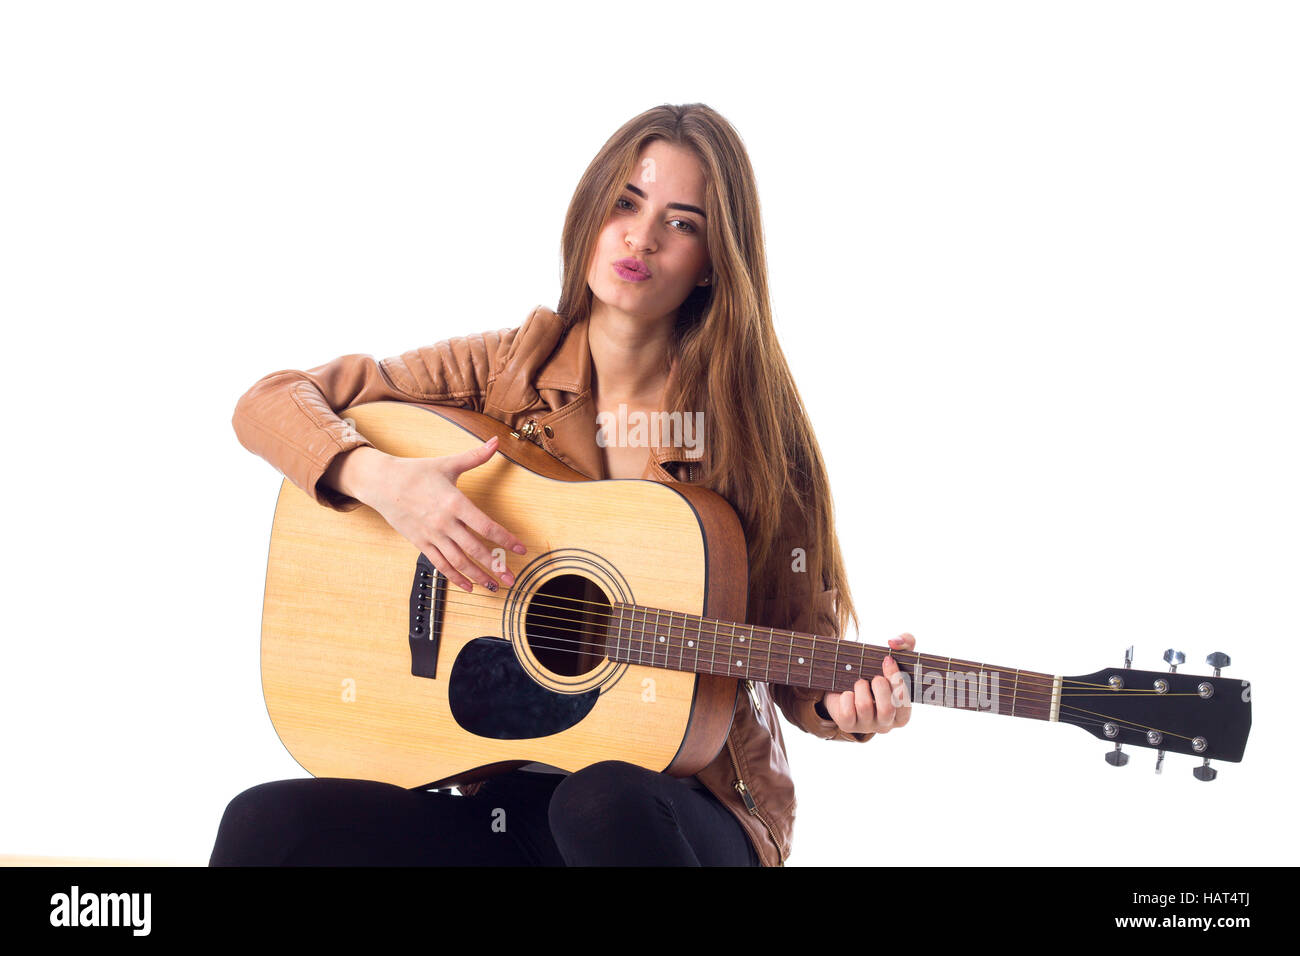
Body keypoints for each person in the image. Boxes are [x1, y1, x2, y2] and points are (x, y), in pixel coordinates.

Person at [212, 102, 915, 867]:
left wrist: (844, 704)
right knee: (267, 825)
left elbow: (801, 645)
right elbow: (269, 402)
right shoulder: (502, 370)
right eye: (625, 204)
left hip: (682, 808)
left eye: (681, 223)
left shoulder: (755, 433)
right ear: (590, 215)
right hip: (507, 798)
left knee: (600, 797)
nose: (641, 238)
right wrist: (385, 482)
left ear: (715, 259)